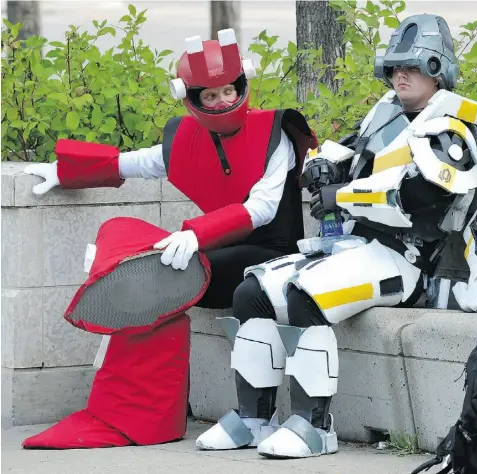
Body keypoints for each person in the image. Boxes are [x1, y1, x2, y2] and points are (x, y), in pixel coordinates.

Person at [195, 14, 477, 459]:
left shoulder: (456, 119)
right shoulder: (386, 110)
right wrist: (324, 165)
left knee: (306, 294)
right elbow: (352, 149)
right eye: (395, 66)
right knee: (251, 292)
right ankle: (254, 418)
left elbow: (421, 196)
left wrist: (345, 196)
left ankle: (314, 426)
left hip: (407, 262)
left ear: (437, 68)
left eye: (412, 67)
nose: (401, 75)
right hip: (354, 248)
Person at [21, 28, 318, 449]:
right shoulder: (187, 136)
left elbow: (262, 209)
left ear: (242, 86)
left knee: (168, 279)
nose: (221, 103)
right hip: (219, 247)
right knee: (145, 270)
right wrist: (65, 170)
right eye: (209, 96)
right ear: (191, 98)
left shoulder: (275, 132)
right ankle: (127, 414)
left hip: (273, 257)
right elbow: (138, 162)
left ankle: (176, 420)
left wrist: (197, 234)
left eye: (228, 92)